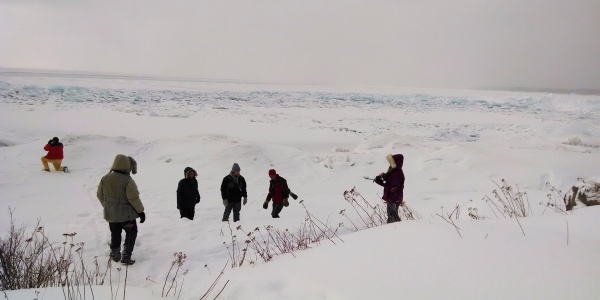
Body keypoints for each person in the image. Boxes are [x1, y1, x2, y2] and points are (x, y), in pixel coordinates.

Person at [97, 154, 145, 265]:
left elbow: (99, 195)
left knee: (115, 233)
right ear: (127, 166)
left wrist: (108, 206)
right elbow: (133, 198)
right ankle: (126, 257)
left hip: (111, 215)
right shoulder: (128, 180)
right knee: (131, 233)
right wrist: (141, 212)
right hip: (126, 216)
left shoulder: (105, 178)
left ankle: (115, 253)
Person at [374, 154, 405, 223]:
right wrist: (384, 176)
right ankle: (398, 228)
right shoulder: (394, 171)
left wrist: (380, 182)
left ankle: (393, 229)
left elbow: (392, 188)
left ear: (395, 163)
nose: (390, 163)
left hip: (394, 198)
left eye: (392, 162)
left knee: (392, 216)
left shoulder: (397, 174)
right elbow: (391, 181)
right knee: (393, 215)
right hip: (393, 197)